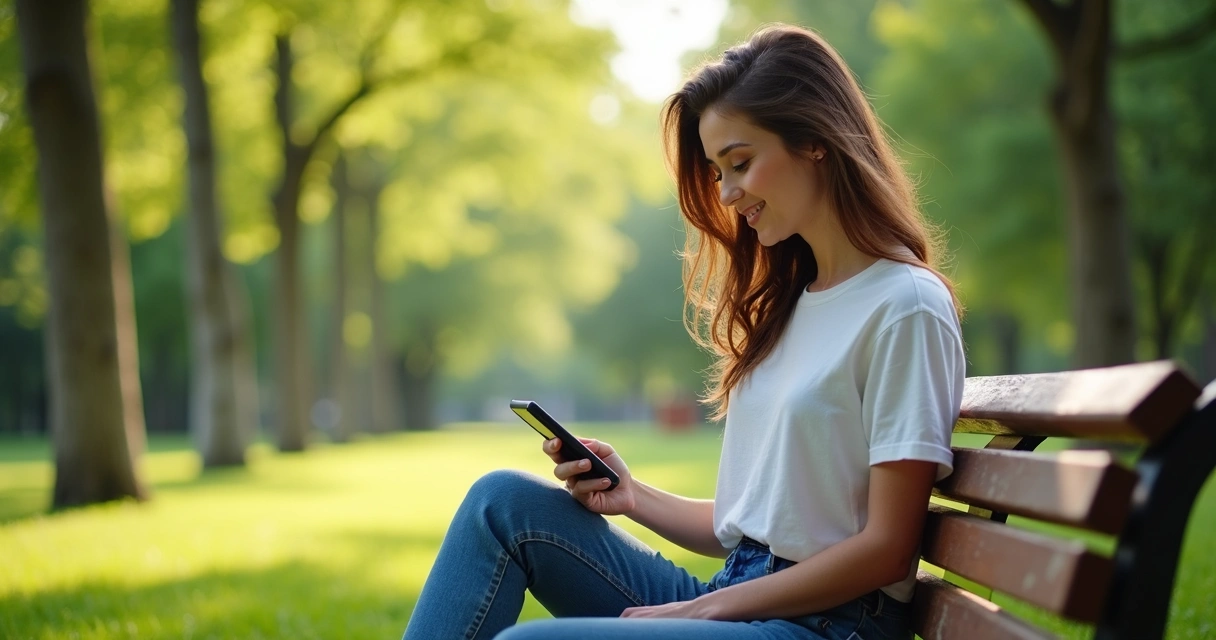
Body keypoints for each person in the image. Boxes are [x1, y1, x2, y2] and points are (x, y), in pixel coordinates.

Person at [402, 23, 964, 640]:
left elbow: (887, 549)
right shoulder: (796, 304)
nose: (726, 194)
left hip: (827, 625)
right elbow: (753, 523)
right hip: (749, 595)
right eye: (718, 172)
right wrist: (632, 494)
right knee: (501, 502)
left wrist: (703, 610)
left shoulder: (904, 306)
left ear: (815, 142)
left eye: (740, 164)